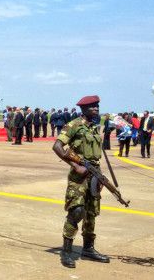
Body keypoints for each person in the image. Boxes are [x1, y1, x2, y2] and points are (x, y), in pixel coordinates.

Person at [52, 95, 109, 268]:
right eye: (92, 107)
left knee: (91, 212)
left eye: (97, 106)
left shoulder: (94, 128)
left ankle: (88, 249)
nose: (96, 109)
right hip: (79, 176)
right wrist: (75, 166)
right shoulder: (74, 125)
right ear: (84, 109)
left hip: (94, 173)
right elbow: (57, 147)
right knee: (77, 211)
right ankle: (66, 251)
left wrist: (99, 175)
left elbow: (95, 154)